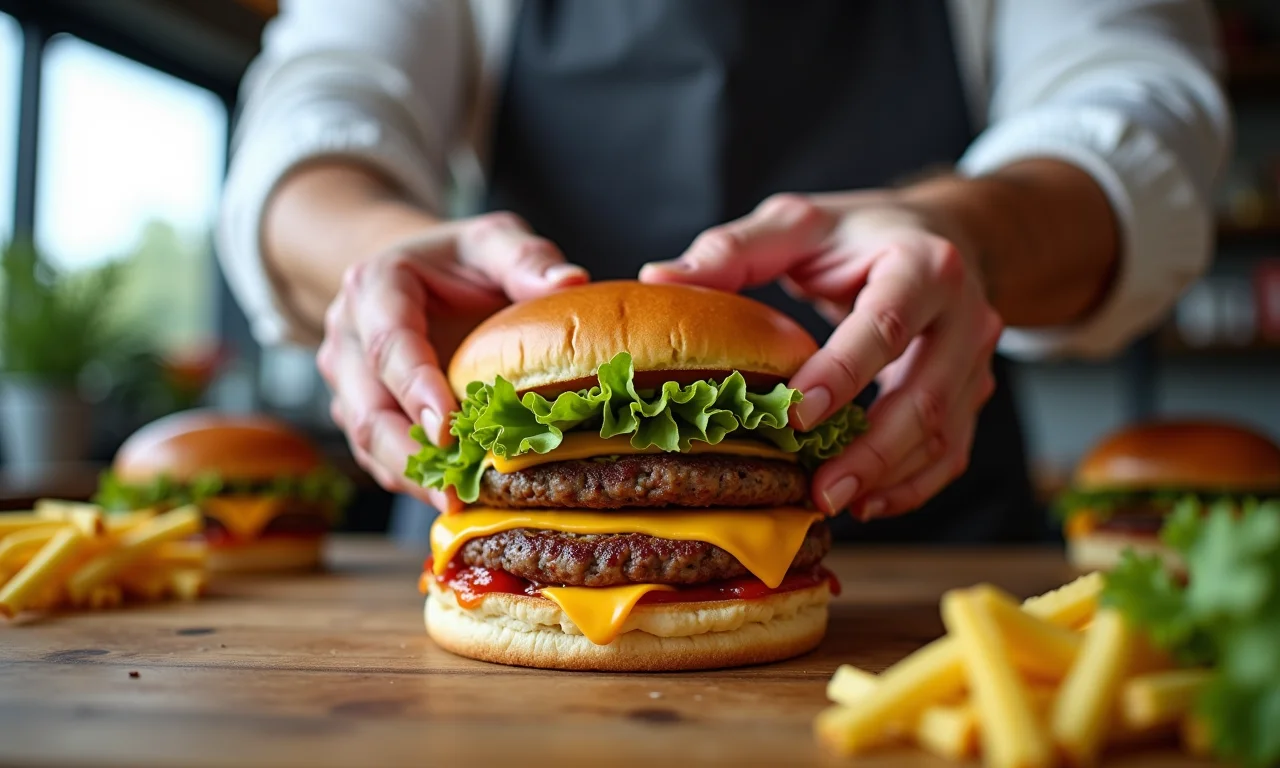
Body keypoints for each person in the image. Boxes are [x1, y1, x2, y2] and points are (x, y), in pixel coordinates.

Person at [218, 0, 1230, 543]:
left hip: (919, 510)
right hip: (487, 514)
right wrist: (370, 257)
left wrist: (957, 231)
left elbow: (1138, 110)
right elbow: (320, 99)